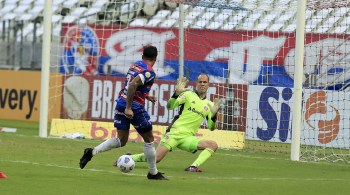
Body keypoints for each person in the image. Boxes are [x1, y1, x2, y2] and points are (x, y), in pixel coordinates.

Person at [79, 45, 167, 180]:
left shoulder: (135, 65)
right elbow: (132, 85)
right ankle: (152, 172)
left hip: (121, 101)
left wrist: (146, 96)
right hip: (133, 107)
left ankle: (92, 151)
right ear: (155, 58)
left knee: (121, 140)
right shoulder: (148, 71)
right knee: (149, 139)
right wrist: (129, 107)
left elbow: (132, 85)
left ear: (142, 55)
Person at [130, 74, 222, 172]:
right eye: (200, 82)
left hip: (188, 138)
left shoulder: (210, 105)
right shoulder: (188, 95)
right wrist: (175, 94)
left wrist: (213, 116)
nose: (202, 84)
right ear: (196, 84)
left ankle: (193, 166)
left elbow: (211, 128)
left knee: (213, 145)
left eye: (205, 82)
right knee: (156, 158)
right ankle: (130, 158)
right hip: (175, 133)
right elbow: (170, 106)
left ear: (208, 85)